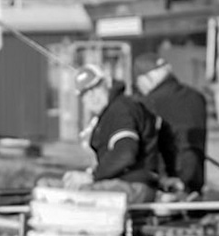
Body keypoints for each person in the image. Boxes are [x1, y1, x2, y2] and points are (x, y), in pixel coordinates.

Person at [67, 65, 169, 202]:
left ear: (107, 83)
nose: (92, 97)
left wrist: (91, 176)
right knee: (48, 183)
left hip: (133, 185)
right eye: (85, 94)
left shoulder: (120, 110)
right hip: (124, 183)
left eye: (95, 88)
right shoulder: (111, 111)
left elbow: (125, 153)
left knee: (74, 195)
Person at [134, 54, 210, 196]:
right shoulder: (196, 97)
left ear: (146, 78)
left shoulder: (148, 103)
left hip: (168, 184)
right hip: (195, 180)